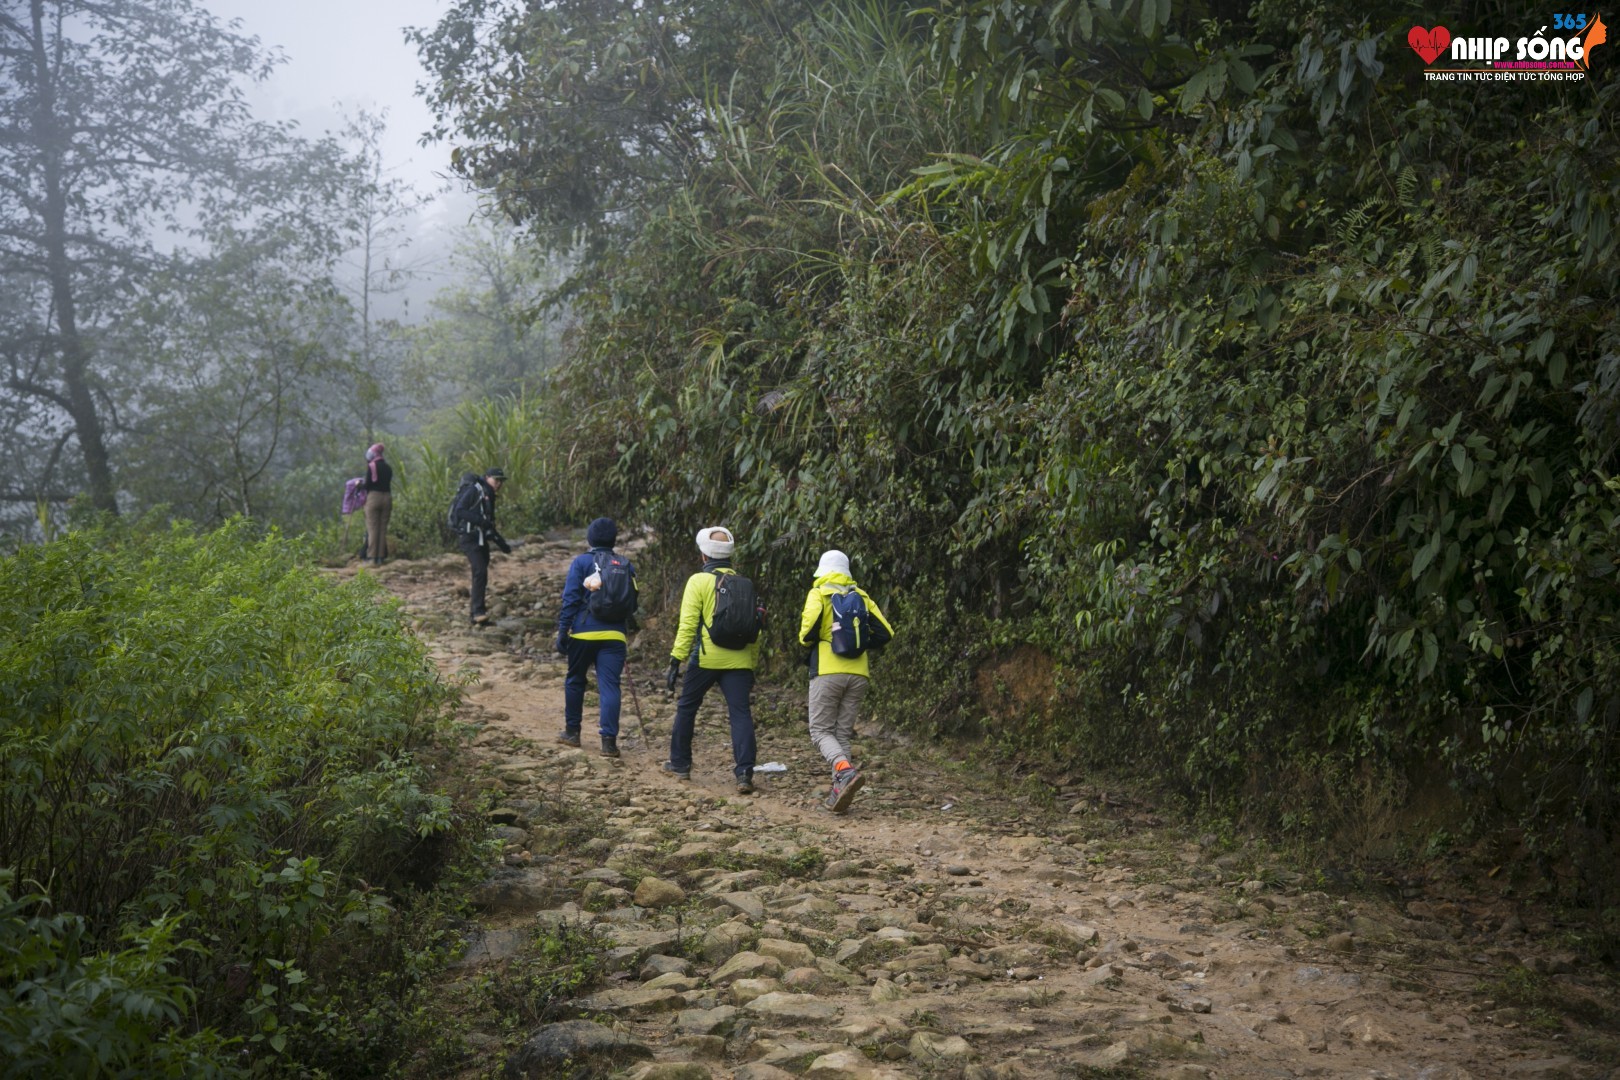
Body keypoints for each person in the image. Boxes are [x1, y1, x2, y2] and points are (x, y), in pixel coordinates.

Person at [797, 549, 894, 813]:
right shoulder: (861, 597)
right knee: (841, 733)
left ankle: (844, 771)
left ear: (822, 571)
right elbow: (886, 632)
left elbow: (806, 635)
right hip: (859, 673)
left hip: (828, 671)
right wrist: (858, 644)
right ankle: (841, 792)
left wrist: (825, 638)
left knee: (820, 731)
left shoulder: (819, 593)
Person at [664, 526, 758, 794]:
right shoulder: (745, 583)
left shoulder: (698, 581)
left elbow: (688, 625)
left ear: (704, 555)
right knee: (740, 714)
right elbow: (755, 630)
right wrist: (752, 663)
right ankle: (744, 773)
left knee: (687, 707)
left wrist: (676, 659)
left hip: (706, 658)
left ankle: (680, 764)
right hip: (740, 660)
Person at [555, 517, 634, 757]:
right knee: (610, 686)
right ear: (613, 540)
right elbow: (632, 602)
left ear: (589, 539)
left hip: (583, 632)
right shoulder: (624, 564)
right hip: (614, 636)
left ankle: (572, 732)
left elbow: (570, 600)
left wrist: (562, 631)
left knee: (575, 680)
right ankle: (609, 743)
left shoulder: (581, 562)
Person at [449, 467, 510, 626]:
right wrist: (480, 521)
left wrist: (501, 543)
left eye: (501, 481)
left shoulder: (488, 494)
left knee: (481, 574)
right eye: (496, 480)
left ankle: (477, 612)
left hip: (480, 538)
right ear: (487, 477)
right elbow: (460, 511)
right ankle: (477, 612)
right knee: (480, 571)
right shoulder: (475, 491)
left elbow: (489, 523)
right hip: (469, 538)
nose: (498, 484)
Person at [361, 443, 392, 566]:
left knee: (372, 528)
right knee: (382, 529)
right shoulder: (388, 467)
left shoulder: (372, 466)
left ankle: (371, 558)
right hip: (387, 498)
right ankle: (380, 557)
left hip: (374, 498)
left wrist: (360, 485)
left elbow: (368, 485)